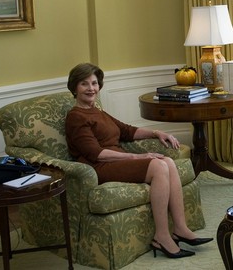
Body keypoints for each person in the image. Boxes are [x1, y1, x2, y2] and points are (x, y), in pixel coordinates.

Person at [64, 63, 212, 259]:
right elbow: (96, 153)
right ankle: (161, 237)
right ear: (74, 87)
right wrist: (137, 156)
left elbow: (127, 131)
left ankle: (180, 228)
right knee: (158, 166)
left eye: (94, 83)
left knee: (167, 161)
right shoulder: (76, 117)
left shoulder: (97, 111)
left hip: (115, 161)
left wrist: (156, 132)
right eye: (84, 84)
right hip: (99, 166)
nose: (91, 88)